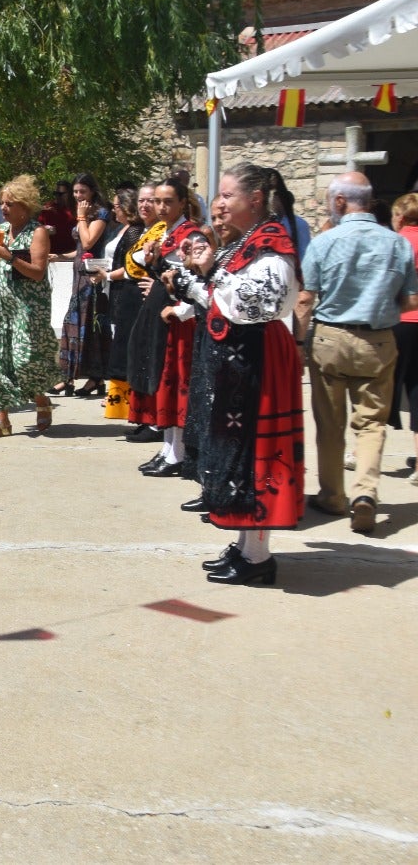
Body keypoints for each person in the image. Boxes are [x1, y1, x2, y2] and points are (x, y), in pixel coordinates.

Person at [171, 164, 303, 584]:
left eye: (228, 196)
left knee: (253, 456)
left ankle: (259, 558)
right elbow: (215, 298)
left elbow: (259, 301)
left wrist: (209, 272)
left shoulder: (271, 242)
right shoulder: (243, 243)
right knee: (236, 455)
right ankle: (247, 546)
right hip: (234, 360)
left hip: (257, 359)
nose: (219, 204)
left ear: (256, 200)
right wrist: (193, 280)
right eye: (219, 196)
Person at [298, 172, 418, 535]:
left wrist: (297, 343)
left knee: (330, 424)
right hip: (378, 340)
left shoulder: (324, 242)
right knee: (371, 424)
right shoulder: (397, 243)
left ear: (339, 202)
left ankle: (333, 495)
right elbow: (410, 298)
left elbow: (306, 298)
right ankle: (365, 494)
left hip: (331, 339)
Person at [127, 180, 201, 476]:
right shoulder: (165, 234)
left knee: (176, 385)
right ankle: (169, 448)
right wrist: (154, 262)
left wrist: (180, 309)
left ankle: (178, 452)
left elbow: (195, 280)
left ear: (183, 202)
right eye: (157, 201)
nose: (160, 207)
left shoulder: (192, 235)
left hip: (181, 322)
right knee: (163, 382)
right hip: (164, 319)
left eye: (168, 201)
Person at [0, 174, 58, 437]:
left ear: (24, 206)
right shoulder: (1, 231)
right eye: (2, 203)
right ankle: (2, 420)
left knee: (25, 361)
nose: (4, 208)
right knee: (0, 361)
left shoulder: (38, 232)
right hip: (1, 306)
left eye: (10, 203)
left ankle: (40, 400)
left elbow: (37, 272)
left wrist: (10, 257)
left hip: (28, 308)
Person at [97, 186, 151, 422]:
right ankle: (117, 396)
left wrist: (107, 276)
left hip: (125, 290)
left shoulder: (135, 232)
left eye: (116, 206)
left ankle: (124, 398)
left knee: (125, 343)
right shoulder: (124, 229)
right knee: (117, 340)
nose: (113, 210)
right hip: (117, 290)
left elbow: (132, 268)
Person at [54, 173, 110, 398]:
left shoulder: (100, 213)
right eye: (75, 192)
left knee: (88, 327)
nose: (78, 196)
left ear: (93, 192)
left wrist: (80, 217)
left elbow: (88, 242)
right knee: (72, 326)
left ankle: (95, 377)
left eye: (82, 192)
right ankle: (67, 376)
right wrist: (59, 256)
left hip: (92, 276)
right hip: (78, 273)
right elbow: (79, 248)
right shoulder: (84, 214)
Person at [391, 192, 418, 484]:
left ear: (401, 216)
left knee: (380, 389)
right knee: (417, 389)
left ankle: (363, 455)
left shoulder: (397, 243)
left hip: (399, 321)